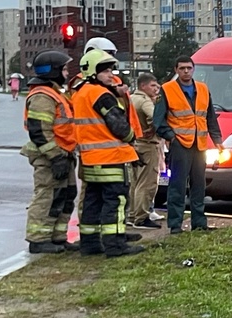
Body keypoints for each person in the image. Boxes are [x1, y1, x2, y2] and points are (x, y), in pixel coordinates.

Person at [72, 49, 143, 258]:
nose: (111, 74)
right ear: (93, 72)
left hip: (90, 160)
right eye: (106, 70)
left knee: (93, 202)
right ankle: (116, 245)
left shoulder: (80, 93)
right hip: (112, 158)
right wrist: (132, 138)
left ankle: (90, 243)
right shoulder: (101, 94)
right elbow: (118, 125)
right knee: (116, 202)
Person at [153, 55, 222, 234]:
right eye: (182, 68)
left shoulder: (203, 89)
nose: (186, 71)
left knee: (199, 185)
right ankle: (175, 225)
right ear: (176, 70)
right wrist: (171, 137)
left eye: (189, 68)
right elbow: (158, 120)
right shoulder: (167, 90)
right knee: (177, 186)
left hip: (199, 144)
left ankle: (199, 222)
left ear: (193, 69)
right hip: (180, 145)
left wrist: (217, 141)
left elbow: (210, 117)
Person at [20, 50, 77, 254]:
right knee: (47, 196)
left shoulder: (54, 93)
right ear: (52, 71)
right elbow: (40, 131)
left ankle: (58, 237)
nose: (67, 72)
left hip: (63, 155)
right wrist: (55, 157)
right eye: (63, 69)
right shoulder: (42, 96)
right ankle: (38, 239)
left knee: (65, 196)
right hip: (50, 157)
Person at [129, 72, 162, 228]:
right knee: (147, 183)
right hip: (148, 145)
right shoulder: (145, 102)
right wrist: (155, 128)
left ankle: (132, 214)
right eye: (152, 85)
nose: (156, 88)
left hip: (134, 144)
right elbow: (156, 117)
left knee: (135, 182)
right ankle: (141, 217)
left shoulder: (131, 99)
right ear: (143, 86)